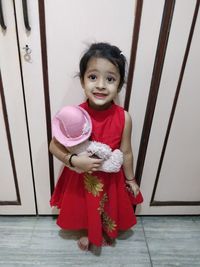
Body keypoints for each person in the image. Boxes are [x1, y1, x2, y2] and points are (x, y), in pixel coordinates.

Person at [49, 42, 143, 251]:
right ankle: (86, 230)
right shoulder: (74, 115)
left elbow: (126, 152)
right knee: (84, 206)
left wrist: (131, 179)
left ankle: (103, 229)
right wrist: (74, 160)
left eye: (110, 79)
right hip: (81, 176)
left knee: (107, 206)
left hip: (110, 178)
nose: (101, 85)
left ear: (119, 85)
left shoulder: (124, 117)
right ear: (82, 81)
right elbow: (54, 146)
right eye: (93, 77)